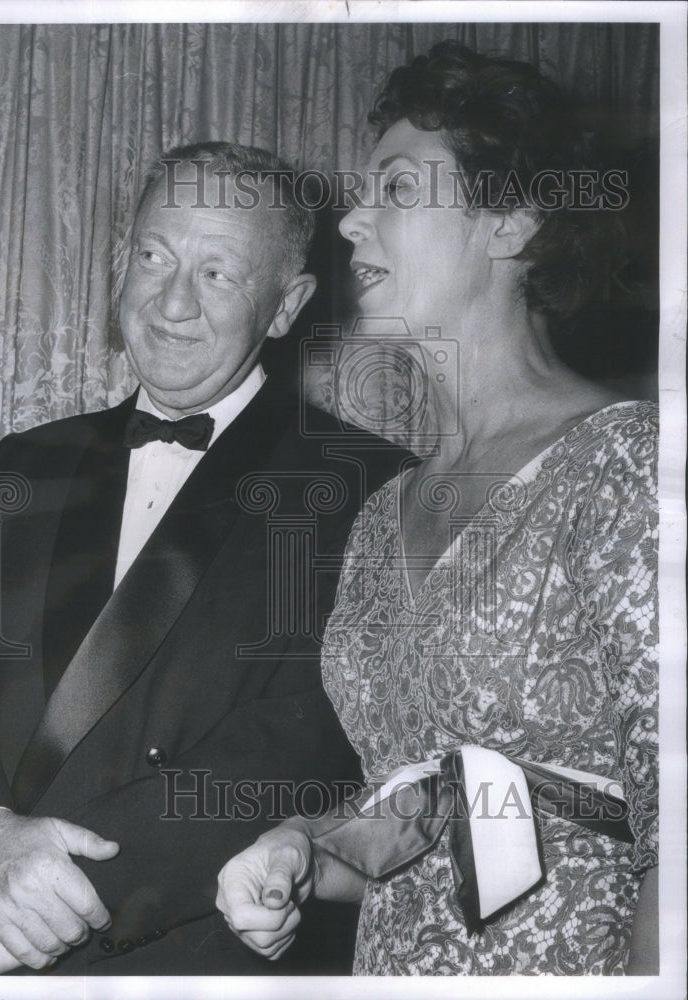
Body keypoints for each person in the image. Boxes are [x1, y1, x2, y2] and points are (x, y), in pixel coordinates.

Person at [0, 141, 410, 975]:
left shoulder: (366, 484)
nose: (172, 303)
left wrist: (31, 913)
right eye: (154, 256)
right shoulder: (31, 460)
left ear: (286, 308)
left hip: (177, 953)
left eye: (218, 274)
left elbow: (301, 743)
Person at [216, 42, 658, 976]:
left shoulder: (629, 465)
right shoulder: (382, 512)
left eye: (397, 188)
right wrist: (307, 848)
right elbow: (425, 803)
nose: (351, 223)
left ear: (514, 220)